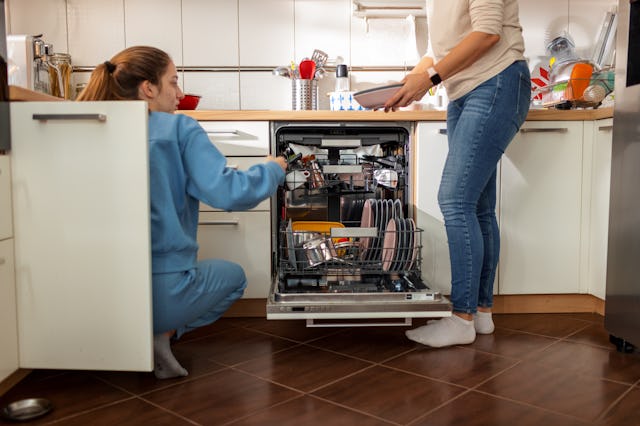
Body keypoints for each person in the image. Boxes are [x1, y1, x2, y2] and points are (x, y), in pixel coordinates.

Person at [77, 46, 287, 378]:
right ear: (148, 88)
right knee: (236, 277)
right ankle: (162, 333)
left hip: (95, 293)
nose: (180, 93)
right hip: (162, 294)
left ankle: (133, 340)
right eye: (173, 82)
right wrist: (274, 169)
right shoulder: (177, 129)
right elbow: (230, 192)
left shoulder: (87, 128)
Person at [384, 1, 531, 347]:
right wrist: (412, 81)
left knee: (455, 199)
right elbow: (437, 51)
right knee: (477, 206)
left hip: (496, 82)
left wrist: (430, 78)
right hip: (464, 92)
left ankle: (461, 318)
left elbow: (487, 33)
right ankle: (480, 314)